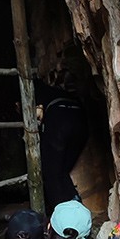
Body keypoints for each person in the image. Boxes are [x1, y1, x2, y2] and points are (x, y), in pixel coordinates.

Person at [35, 76, 88, 208]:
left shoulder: (36, 91)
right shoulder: (56, 91)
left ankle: (59, 213)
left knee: (51, 172)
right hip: (81, 119)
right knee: (63, 170)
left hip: (58, 119)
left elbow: (37, 114)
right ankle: (75, 204)